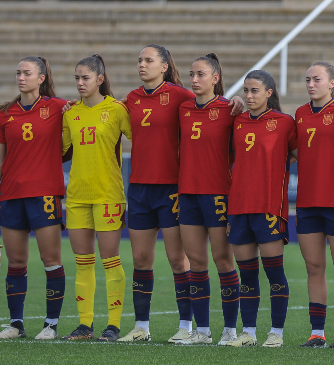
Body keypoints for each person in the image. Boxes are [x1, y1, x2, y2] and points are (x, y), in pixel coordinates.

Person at [119, 44, 242, 343]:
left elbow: (217, 105)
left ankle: (190, 326)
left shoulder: (181, 96)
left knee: (182, 260)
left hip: (174, 190)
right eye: (139, 60)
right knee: (141, 259)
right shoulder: (132, 99)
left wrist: (236, 99)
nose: (141, 64)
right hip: (140, 189)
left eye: (148, 60)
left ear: (164, 66)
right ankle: (142, 327)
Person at [0, 56, 68, 340]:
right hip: (11, 196)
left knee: (51, 259)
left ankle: (50, 325)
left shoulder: (58, 107)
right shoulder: (5, 114)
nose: (21, 77)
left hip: (45, 195)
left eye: (27, 73)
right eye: (18, 72)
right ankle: (16, 325)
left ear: (42, 78)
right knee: (16, 262)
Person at [59, 54, 132, 342]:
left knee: (110, 260)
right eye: (76, 78)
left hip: (108, 195)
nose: (79, 83)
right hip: (77, 196)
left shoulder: (116, 110)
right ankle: (85, 326)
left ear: (99, 80)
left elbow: (145, 139)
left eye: (85, 78)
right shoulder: (70, 113)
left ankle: (113, 326)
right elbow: (59, 149)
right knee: (83, 262)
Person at [225, 70, 297, 348]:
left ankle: (276, 332)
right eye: (245, 90)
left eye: (255, 91)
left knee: (274, 273)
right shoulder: (237, 121)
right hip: (239, 206)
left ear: (269, 93)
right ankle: (249, 333)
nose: (249, 96)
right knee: (247, 275)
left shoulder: (284, 123)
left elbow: (304, 154)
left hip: (269, 207)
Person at [173, 53, 239, 346]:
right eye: (191, 75)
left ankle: (230, 330)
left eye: (201, 74)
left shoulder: (230, 109)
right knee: (196, 262)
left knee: (223, 260)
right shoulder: (183, 107)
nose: (195, 80)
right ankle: (202, 331)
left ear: (215, 78)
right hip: (187, 193)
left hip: (218, 194)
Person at [293, 62, 334, 349]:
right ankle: (317, 333)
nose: (311, 84)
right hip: (307, 202)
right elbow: (297, 151)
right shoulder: (299, 113)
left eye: (317, 79)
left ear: (332, 83)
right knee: (314, 267)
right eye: (307, 79)